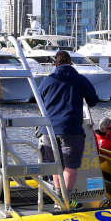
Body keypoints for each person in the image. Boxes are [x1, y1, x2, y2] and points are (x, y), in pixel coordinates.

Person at [38, 50, 100, 197]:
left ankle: (58, 197)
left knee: (55, 165)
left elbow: (38, 100)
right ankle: (67, 200)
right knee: (71, 166)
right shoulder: (80, 79)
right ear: (70, 62)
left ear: (56, 63)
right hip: (71, 130)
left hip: (49, 129)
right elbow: (93, 101)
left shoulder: (48, 80)